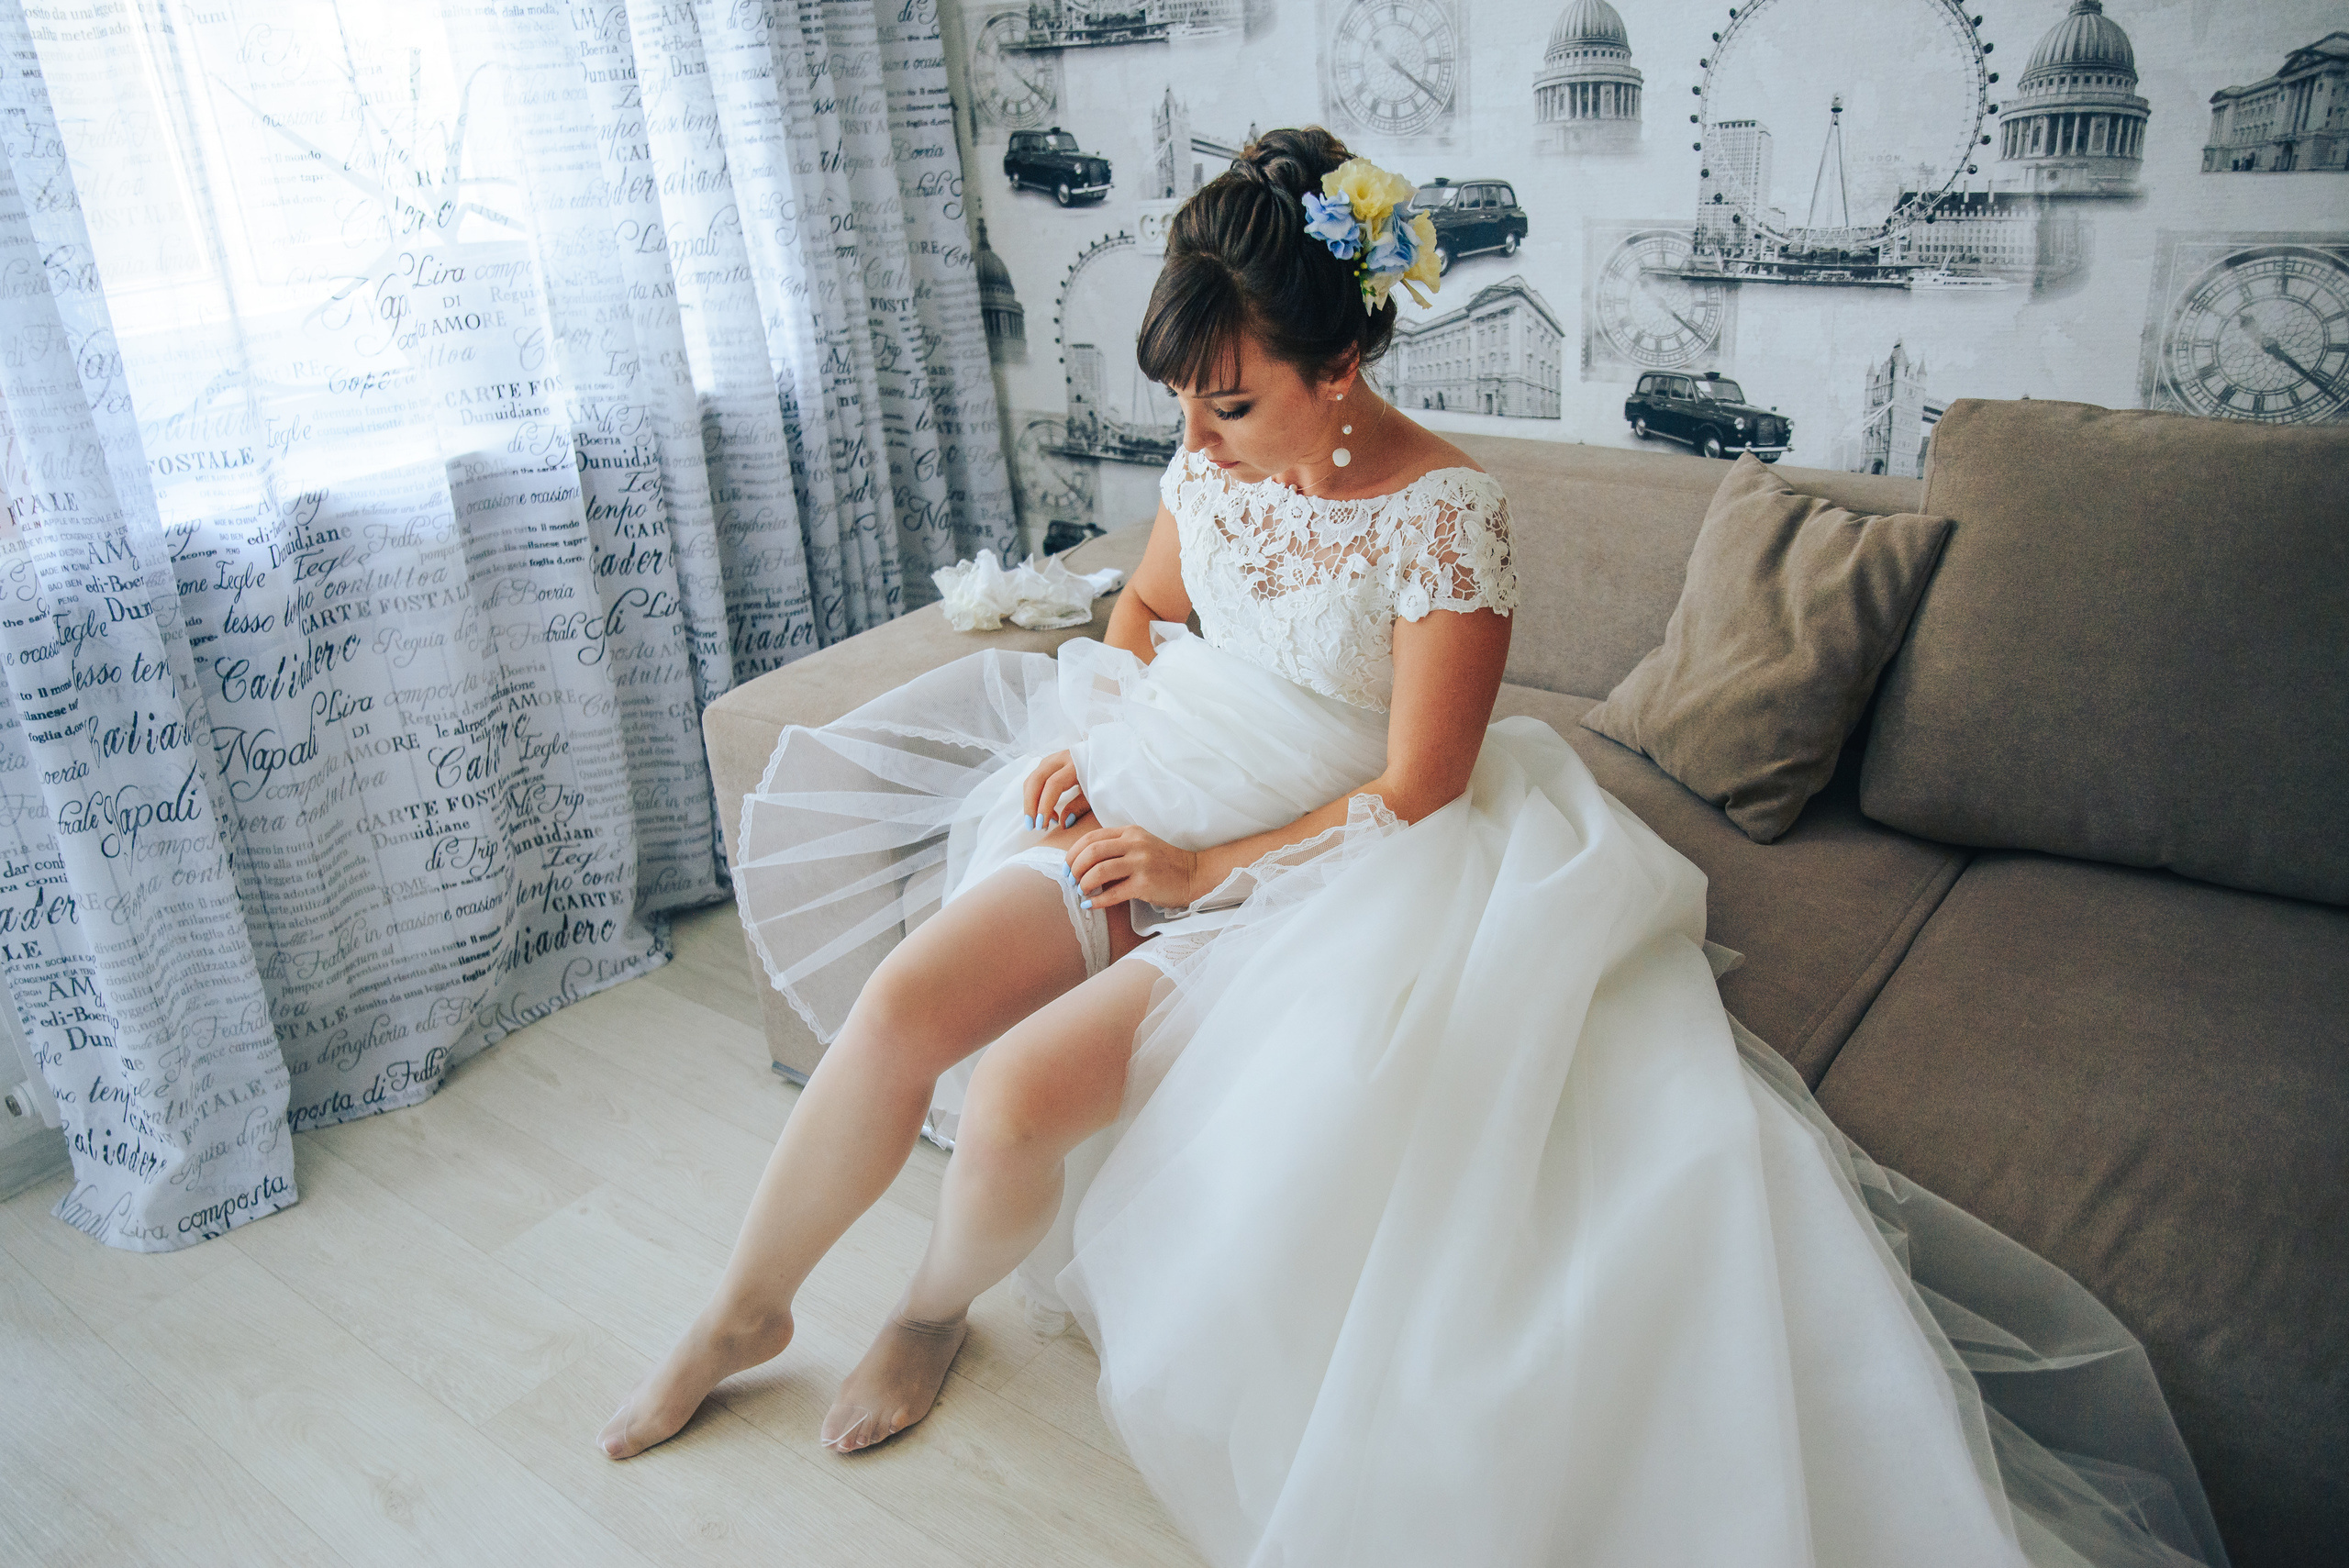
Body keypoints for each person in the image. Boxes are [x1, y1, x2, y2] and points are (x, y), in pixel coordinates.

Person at [598, 129, 2228, 1568]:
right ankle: (745, 1306)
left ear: (1343, 364)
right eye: (1183, 401)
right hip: (1157, 790)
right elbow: (1146, 608)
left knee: (1021, 1096)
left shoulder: (1450, 514)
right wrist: (1094, 741)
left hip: (1325, 868)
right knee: (905, 1005)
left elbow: (1420, 788)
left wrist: (1203, 874)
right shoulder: (1207, 463)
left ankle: (929, 1307)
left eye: (1231, 401)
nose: (1197, 436)